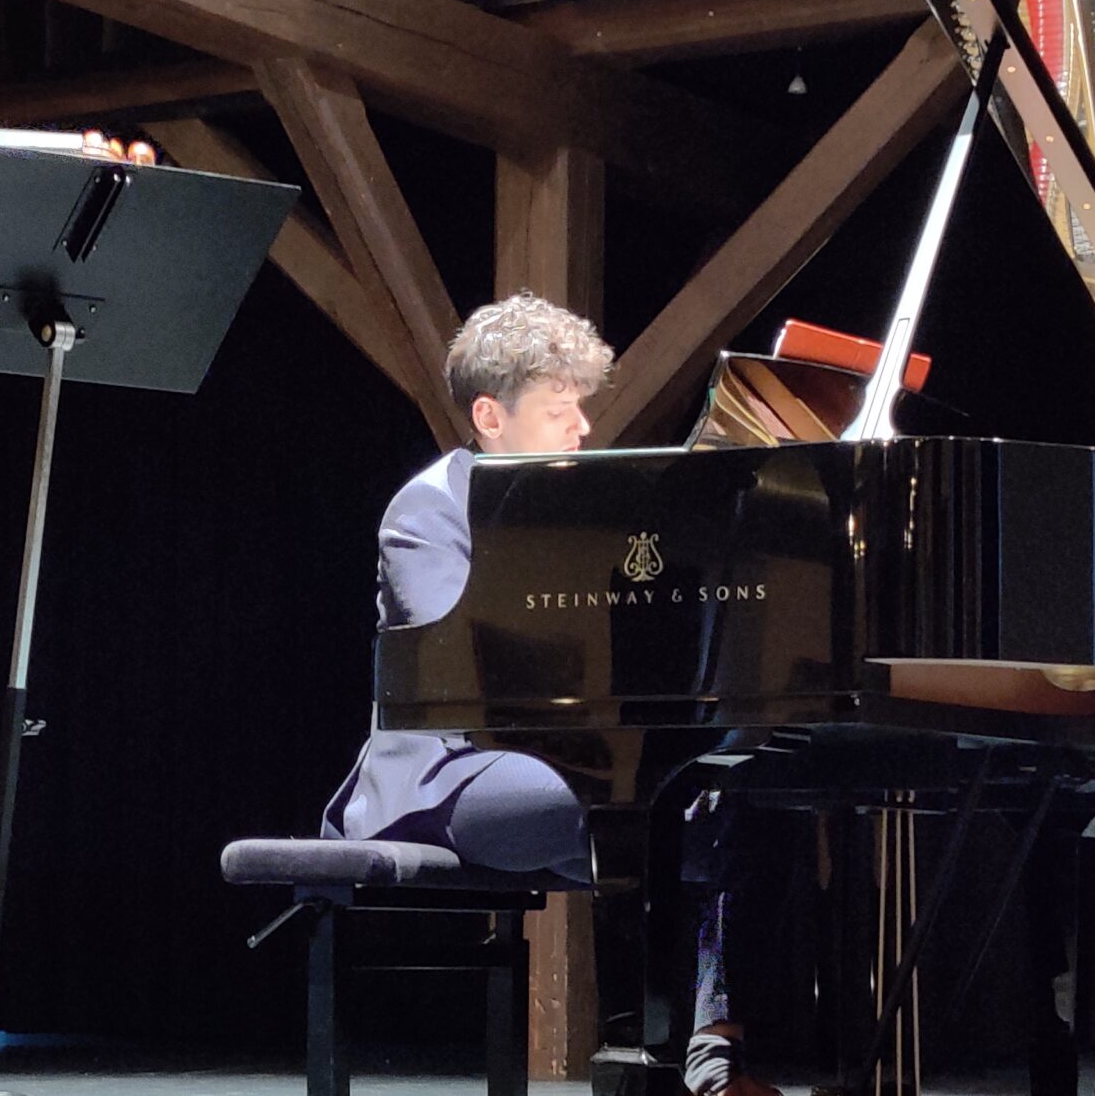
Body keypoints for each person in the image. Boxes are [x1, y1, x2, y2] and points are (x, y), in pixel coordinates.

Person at [320, 292, 780, 1096]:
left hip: (568, 755)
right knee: (654, 806)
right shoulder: (428, 509)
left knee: (714, 792)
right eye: (560, 410)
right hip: (448, 776)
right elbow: (459, 671)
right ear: (490, 416)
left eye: (581, 408)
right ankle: (644, 1060)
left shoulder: (582, 511)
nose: (584, 428)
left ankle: (708, 1044)